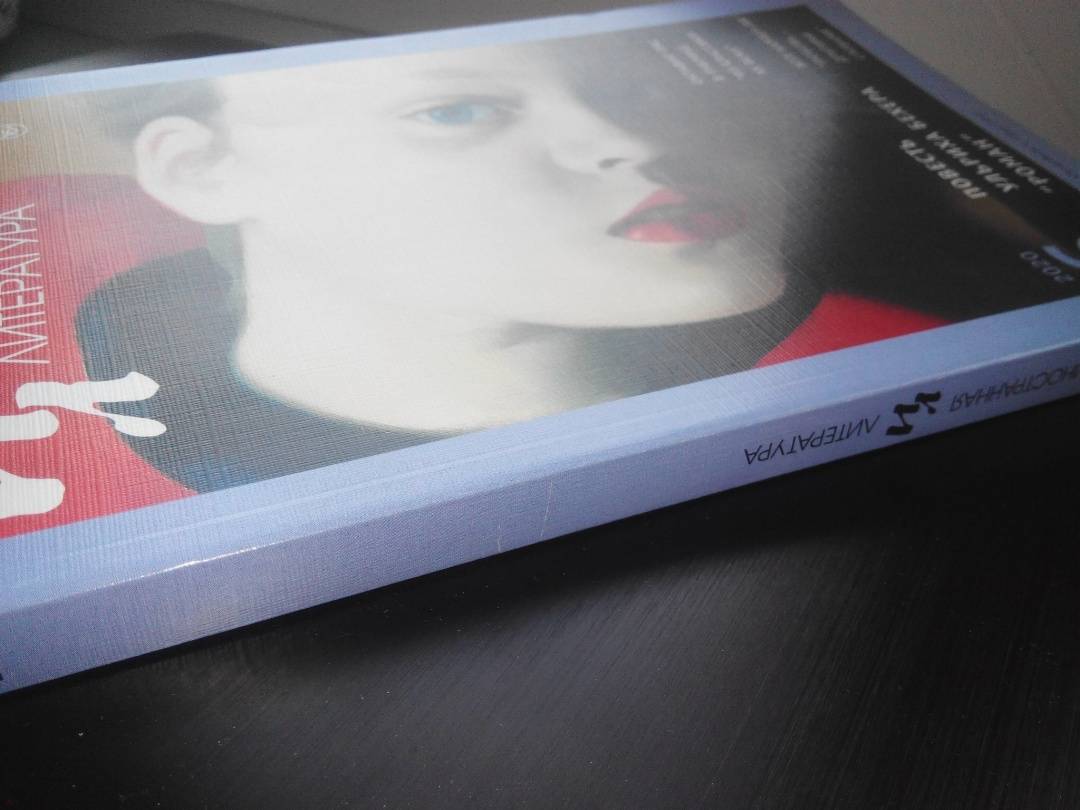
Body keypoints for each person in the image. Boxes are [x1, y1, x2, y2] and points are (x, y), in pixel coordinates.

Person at [68, 12, 1074, 495]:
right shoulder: (83, 423)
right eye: (455, 111)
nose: (626, 142)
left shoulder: (895, 340)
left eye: (633, 92)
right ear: (201, 170)